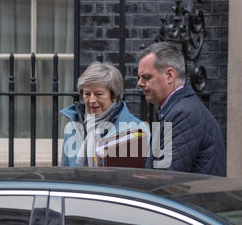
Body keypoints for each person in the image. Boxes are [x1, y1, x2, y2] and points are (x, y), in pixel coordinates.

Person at [137, 42, 226, 176]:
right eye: (140, 77)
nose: (139, 83)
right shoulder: (179, 109)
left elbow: (164, 179)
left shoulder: (184, 114)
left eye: (146, 77)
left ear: (169, 75)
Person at [61, 62, 150, 167]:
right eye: (87, 94)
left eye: (98, 94)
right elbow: (65, 172)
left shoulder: (136, 129)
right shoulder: (73, 126)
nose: (92, 100)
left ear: (114, 96)